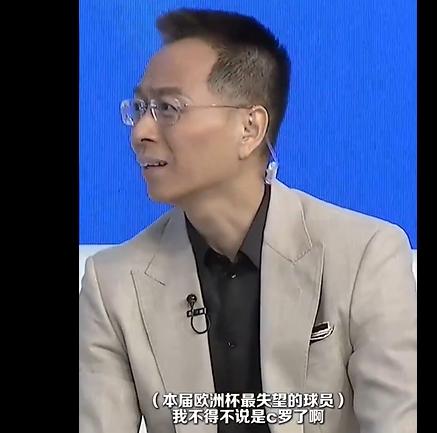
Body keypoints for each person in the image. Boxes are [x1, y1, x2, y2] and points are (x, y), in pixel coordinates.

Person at [79, 8, 416, 433]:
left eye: (168, 108)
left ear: (250, 128)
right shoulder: (113, 284)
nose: (140, 132)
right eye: (141, 107)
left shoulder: (366, 257)